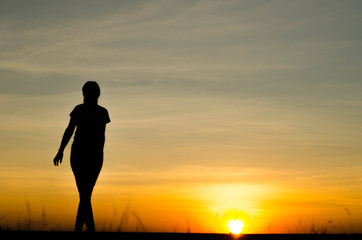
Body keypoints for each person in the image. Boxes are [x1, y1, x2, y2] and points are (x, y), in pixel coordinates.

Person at [53, 81, 110, 232]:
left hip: (94, 156)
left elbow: (101, 137)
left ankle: (79, 229)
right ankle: (88, 229)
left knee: (85, 194)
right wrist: (60, 150)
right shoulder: (79, 110)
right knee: (85, 194)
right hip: (80, 154)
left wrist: (99, 156)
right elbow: (69, 130)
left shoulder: (102, 112)